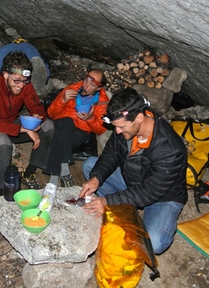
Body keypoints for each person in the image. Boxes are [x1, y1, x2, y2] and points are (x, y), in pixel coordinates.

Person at [79, 87, 188, 254]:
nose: (117, 131)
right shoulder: (125, 125)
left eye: (121, 127)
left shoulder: (170, 150)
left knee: (155, 243)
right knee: (90, 166)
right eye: (115, 127)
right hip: (131, 179)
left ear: (139, 118)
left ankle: (129, 208)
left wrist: (107, 201)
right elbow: (111, 153)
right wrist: (97, 177)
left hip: (161, 197)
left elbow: (148, 193)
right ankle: (126, 206)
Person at [0, 51, 54, 195]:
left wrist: (36, 116)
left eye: (24, 81)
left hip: (10, 123)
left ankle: (30, 172)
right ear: (5, 74)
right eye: (17, 80)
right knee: (2, 141)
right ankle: (3, 190)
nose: (21, 85)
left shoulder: (24, 84)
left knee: (48, 126)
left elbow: (37, 106)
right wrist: (24, 129)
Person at [43, 69, 109, 187]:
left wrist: (90, 118)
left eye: (92, 85)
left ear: (98, 88)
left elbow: (100, 130)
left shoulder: (102, 102)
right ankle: (63, 169)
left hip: (79, 133)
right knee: (66, 122)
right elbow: (51, 113)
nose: (86, 85)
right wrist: (62, 99)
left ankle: (53, 177)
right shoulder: (72, 89)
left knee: (59, 139)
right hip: (61, 125)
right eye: (86, 80)